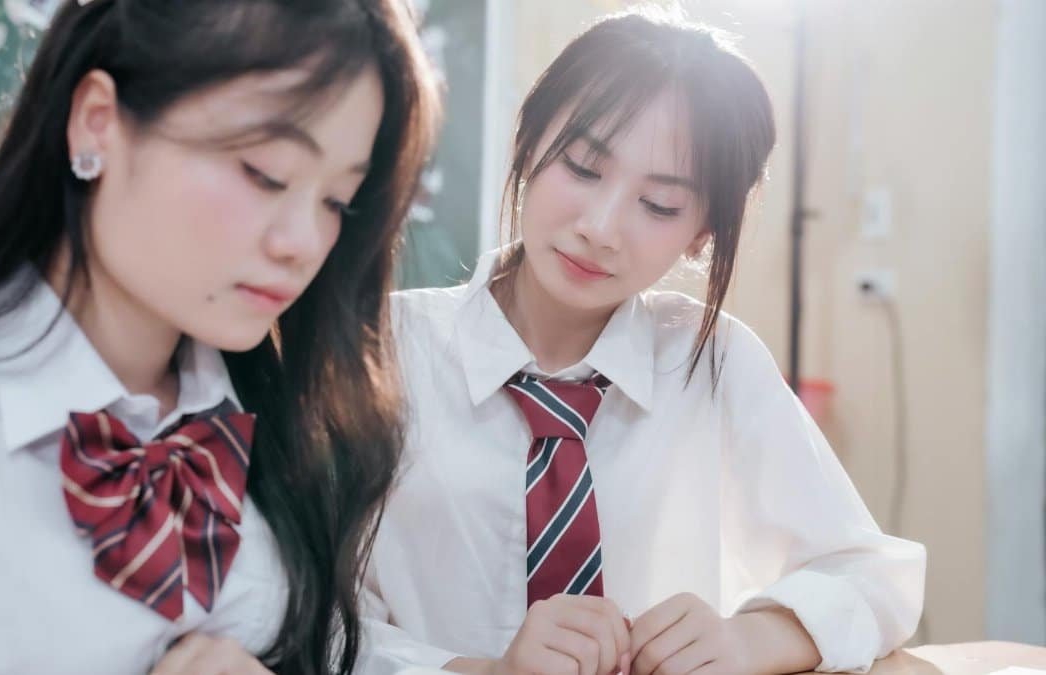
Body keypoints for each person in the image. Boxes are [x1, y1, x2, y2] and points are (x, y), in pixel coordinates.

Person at [0, 1, 438, 673]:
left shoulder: (271, 428)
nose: (303, 242)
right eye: (264, 172)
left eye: (337, 202)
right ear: (97, 121)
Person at [362, 9, 925, 675]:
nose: (600, 228)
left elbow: (874, 576)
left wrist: (751, 638)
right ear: (529, 141)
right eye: (582, 167)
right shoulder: (385, 350)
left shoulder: (711, 362)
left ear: (702, 234)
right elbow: (311, 619)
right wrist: (481, 672)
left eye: (659, 206)